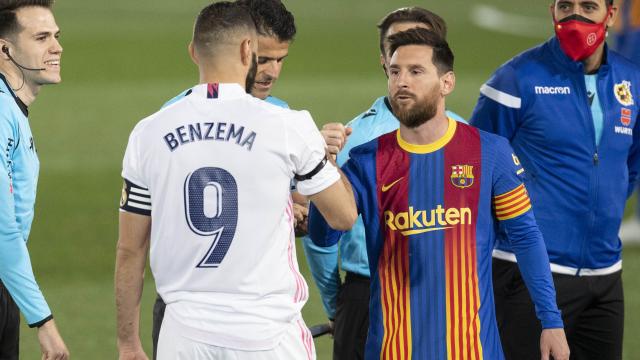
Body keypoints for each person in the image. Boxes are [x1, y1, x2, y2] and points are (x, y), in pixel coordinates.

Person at [309, 27, 570, 360]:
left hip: (474, 352)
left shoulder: (489, 153)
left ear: (447, 82)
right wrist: (324, 171)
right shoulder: (366, 161)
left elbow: (526, 237)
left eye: (416, 71)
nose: (401, 81)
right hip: (393, 351)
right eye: (394, 72)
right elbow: (324, 236)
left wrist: (551, 321)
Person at [115, 2, 357, 359]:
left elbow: (130, 248)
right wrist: (326, 159)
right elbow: (343, 216)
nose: (271, 70)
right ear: (248, 49)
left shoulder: (150, 130)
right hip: (265, 333)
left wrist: (127, 343)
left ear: (194, 52)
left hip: (182, 334)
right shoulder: (289, 126)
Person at [470, 0, 640, 359]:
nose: (575, 17)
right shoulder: (515, 80)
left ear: (611, 15)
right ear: (552, 11)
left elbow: (630, 163)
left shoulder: (632, 81)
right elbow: (475, 169)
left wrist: (601, 208)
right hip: (527, 275)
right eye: (565, 6)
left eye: (588, 6)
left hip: (605, 275)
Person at [301, 7, 466, 359]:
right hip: (367, 298)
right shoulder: (353, 138)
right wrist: (341, 306)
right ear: (384, 60)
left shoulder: (468, 138)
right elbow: (321, 239)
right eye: (397, 46)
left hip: (449, 297)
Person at [150, 1, 298, 357]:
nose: (271, 72)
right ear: (243, 48)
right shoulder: (173, 120)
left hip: (258, 315)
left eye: (281, 60)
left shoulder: (280, 116)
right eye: (263, 59)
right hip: (189, 312)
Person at [0, 1, 68, 359]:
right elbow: (2, 229)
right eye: (41, 37)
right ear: (5, 49)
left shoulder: (11, 108)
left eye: (56, 36)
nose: (57, 47)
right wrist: (44, 321)